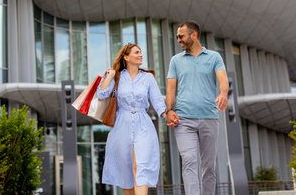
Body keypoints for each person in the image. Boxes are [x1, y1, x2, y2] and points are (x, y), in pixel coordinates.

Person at [166, 20, 229, 195]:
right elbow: (171, 88)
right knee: (189, 160)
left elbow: (223, 80)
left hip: (209, 117)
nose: (178, 39)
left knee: (209, 166)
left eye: (181, 36)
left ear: (194, 35)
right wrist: (169, 110)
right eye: (177, 36)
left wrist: (223, 94)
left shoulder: (214, 57)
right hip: (183, 119)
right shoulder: (175, 61)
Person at [97, 43, 166, 195]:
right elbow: (101, 94)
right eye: (136, 52)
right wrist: (110, 76)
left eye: (141, 52)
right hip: (121, 124)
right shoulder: (118, 76)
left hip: (143, 124)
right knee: (126, 171)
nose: (141, 55)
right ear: (126, 57)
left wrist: (165, 114)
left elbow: (157, 100)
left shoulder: (147, 77)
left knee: (141, 166)